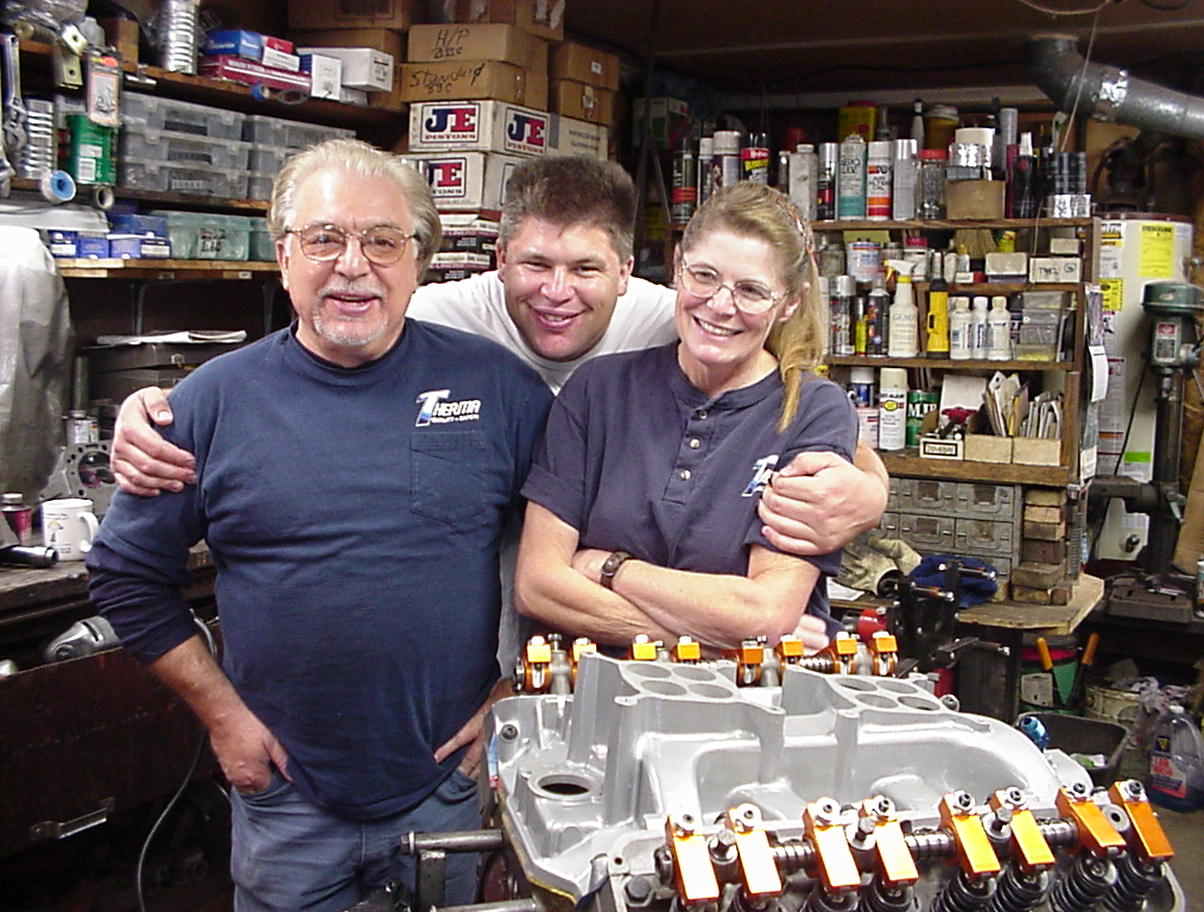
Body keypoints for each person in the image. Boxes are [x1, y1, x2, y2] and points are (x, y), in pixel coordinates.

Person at [85, 139, 553, 912]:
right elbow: (124, 574)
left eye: (382, 241)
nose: (353, 265)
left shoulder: (499, 389)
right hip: (284, 799)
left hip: (446, 784)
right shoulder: (209, 403)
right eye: (324, 238)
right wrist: (223, 716)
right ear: (283, 257)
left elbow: (570, 549)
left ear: (421, 261)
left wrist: (515, 692)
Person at [105, 157, 889, 567]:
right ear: (498, 258)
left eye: (585, 270)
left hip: (594, 604)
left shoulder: (677, 319)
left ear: (628, 272)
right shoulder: (437, 315)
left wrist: (870, 491)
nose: (556, 293)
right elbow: (319, 334)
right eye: (535, 265)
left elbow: (790, 388)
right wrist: (161, 407)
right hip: (501, 591)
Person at [516, 182, 855, 648]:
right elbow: (537, 586)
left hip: (746, 711)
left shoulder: (812, 410)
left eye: (752, 291)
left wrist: (609, 568)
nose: (720, 305)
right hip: (594, 700)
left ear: (789, 303)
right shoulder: (599, 390)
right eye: (704, 276)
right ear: (677, 267)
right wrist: (710, 641)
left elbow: (765, 612)